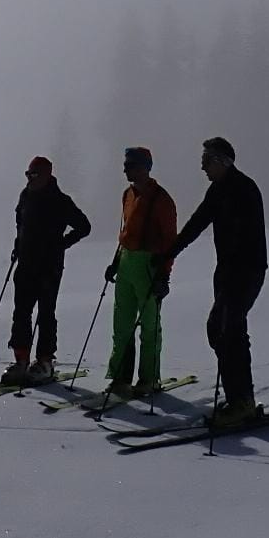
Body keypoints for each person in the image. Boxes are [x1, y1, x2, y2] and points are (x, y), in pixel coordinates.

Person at [158, 136, 268, 427]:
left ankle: (242, 401)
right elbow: (197, 223)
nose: (203, 167)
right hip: (227, 271)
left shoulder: (244, 188)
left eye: (206, 161)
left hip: (246, 270)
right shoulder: (217, 190)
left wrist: (237, 263)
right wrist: (170, 252)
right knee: (218, 330)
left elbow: (248, 234)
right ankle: (239, 398)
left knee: (230, 329)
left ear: (222, 161)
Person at [1, 155, 93, 385]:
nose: (30, 178)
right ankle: (21, 361)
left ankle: (44, 362)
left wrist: (61, 244)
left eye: (34, 174)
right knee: (21, 312)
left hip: (49, 266)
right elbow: (20, 222)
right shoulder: (26, 196)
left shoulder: (60, 200)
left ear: (46, 175)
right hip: (26, 264)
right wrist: (18, 245)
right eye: (28, 174)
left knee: (46, 314)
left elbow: (84, 226)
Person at [102, 146, 178, 398]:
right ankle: (121, 378)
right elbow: (125, 231)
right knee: (121, 323)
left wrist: (164, 275)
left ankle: (149, 378)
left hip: (150, 265)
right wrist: (116, 260)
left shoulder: (161, 199)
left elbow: (170, 241)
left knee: (149, 325)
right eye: (126, 164)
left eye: (131, 165)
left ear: (145, 167)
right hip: (126, 263)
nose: (125, 169)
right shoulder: (128, 194)